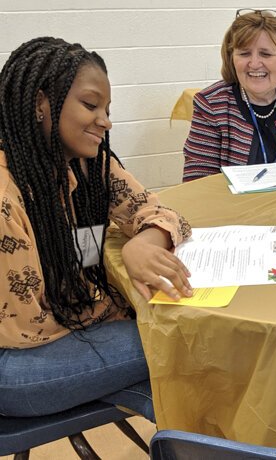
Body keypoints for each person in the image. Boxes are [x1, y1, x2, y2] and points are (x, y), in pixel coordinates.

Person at [0, 37, 193, 422]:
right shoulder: (5, 196)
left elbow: (162, 212)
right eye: (90, 105)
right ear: (41, 103)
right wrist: (117, 306)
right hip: (17, 361)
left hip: (66, 324)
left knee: (184, 388)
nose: (105, 120)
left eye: (106, 109)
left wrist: (144, 242)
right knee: (184, 339)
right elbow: (27, 326)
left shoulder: (85, 162)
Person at [183, 9, 276, 182]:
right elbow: (197, 182)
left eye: (266, 54)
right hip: (235, 207)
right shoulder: (211, 104)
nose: (255, 64)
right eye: (244, 53)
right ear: (231, 59)